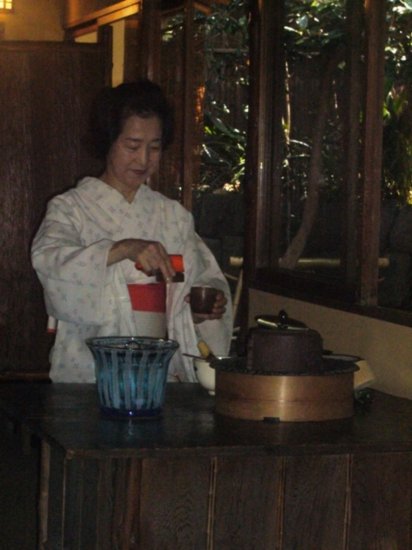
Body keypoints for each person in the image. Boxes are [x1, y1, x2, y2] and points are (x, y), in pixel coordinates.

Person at [31, 79, 233, 383]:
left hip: (160, 372)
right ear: (107, 142)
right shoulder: (72, 209)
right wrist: (122, 249)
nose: (144, 160)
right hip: (91, 370)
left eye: (154, 148)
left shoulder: (173, 216)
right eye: (132, 146)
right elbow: (49, 260)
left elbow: (196, 286)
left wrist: (204, 307)